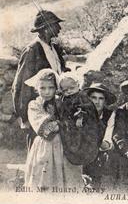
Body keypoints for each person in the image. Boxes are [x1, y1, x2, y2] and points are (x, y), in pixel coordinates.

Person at [12, 10, 68, 151]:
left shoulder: (53, 48)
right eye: (56, 25)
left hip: (55, 106)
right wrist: (25, 114)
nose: (59, 29)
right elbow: (21, 84)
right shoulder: (32, 50)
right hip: (39, 109)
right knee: (38, 148)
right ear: (46, 28)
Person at [23, 69, 82, 189]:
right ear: (36, 88)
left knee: (68, 179)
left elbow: (74, 122)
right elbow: (45, 128)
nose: (47, 92)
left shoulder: (62, 102)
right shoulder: (34, 105)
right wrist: (62, 123)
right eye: (42, 88)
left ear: (56, 88)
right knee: (44, 179)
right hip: (45, 146)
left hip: (65, 145)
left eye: (51, 88)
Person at [56, 73, 101, 168]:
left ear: (77, 84)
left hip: (83, 125)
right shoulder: (65, 98)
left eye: (71, 88)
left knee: (84, 143)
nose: (69, 92)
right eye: (65, 90)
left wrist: (80, 117)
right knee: (71, 144)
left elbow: (86, 108)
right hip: (71, 128)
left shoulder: (82, 97)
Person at [82, 83, 119, 189]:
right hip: (82, 152)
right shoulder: (81, 113)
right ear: (88, 99)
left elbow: (108, 138)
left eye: (101, 98)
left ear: (105, 101)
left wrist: (104, 144)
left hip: (100, 151)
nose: (97, 102)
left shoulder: (110, 115)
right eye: (93, 98)